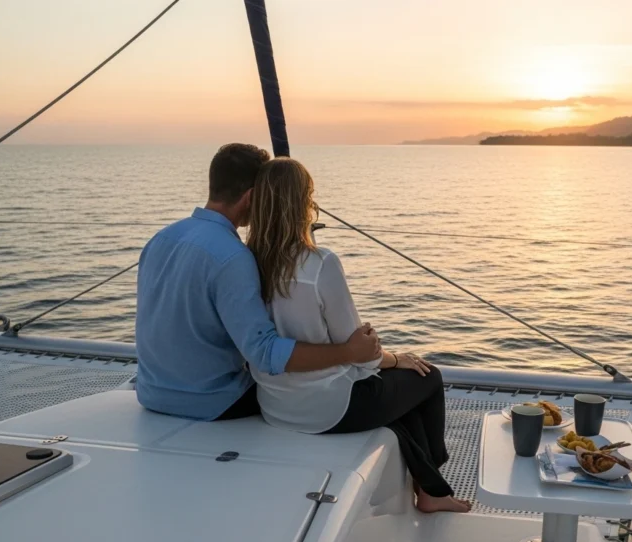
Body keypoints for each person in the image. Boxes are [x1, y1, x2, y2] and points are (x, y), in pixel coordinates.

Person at [247, 157, 471, 514]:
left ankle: (432, 489)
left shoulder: (246, 262)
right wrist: (398, 359)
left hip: (275, 406)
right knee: (427, 376)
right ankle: (434, 485)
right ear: (303, 203)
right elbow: (361, 351)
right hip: (329, 409)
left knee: (398, 401)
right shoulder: (319, 263)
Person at [135, 144, 381, 421]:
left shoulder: (161, 238)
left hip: (150, 394)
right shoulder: (232, 256)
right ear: (253, 197)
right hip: (212, 402)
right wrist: (348, 351)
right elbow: (264, 353)